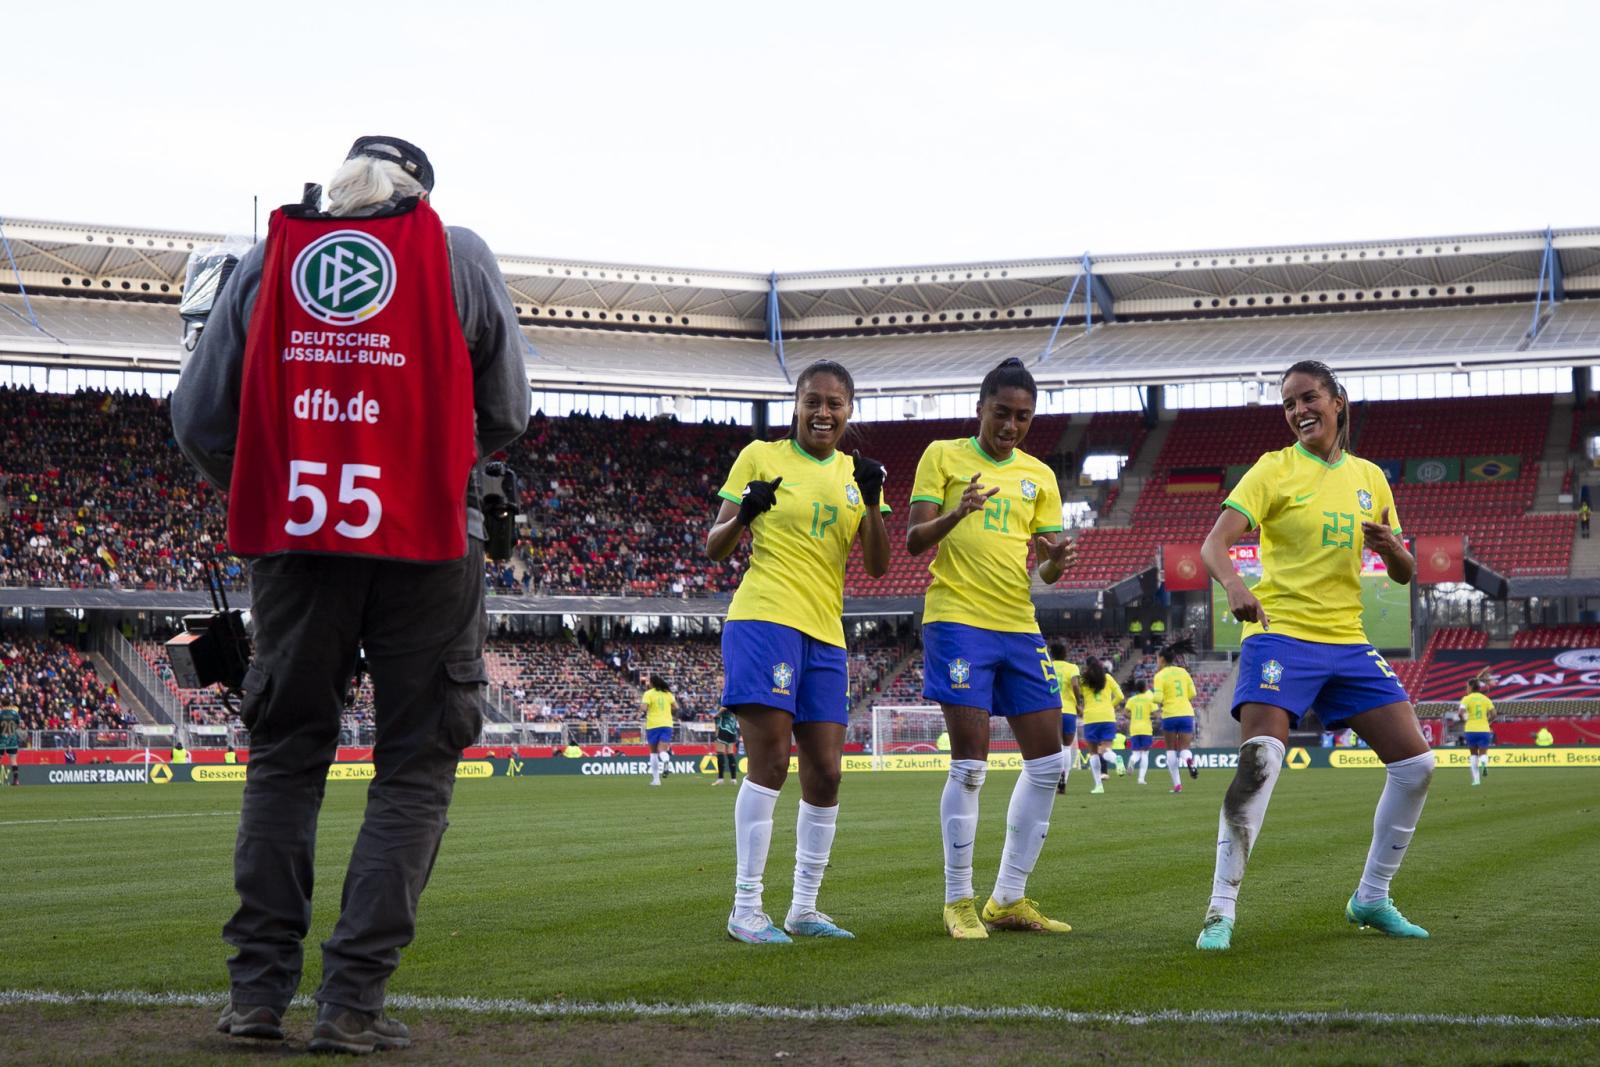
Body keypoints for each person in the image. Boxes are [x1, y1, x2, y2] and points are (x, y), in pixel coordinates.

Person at [172, 136, 529, 1049]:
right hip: (432, 545)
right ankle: (351, 1005)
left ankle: (256, 995)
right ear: (421, 195)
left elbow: (202, 419)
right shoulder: (459, 253)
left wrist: (292, 487)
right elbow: (509, 411)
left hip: (297, 545)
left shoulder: (271, 258)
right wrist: (426, 472)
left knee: (286, 756)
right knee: (415, 764)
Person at [1195, 359, 1430, 952]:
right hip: (1280, 636)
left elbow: (1405, 573)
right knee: (1259, 762)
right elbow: (1214, 542)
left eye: (1309, 398)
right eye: (1289, 404)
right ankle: (1219, 913)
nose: (1299, 410)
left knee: (1418, 767)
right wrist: (1235, 584)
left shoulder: (1371, 478)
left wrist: (1391, 545)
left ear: (1338, 401)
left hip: (1347, 642)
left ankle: (1371, 897)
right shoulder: (1274, 470)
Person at [706, 359, 890, 944]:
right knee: (771, 764)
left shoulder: (857, 474)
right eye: (813, 400)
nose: (823, 412)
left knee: (828, 773)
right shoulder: (760, 456)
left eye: (835, 403)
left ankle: (804, 908)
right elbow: (715, 547)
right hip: (764, 619)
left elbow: (880, 565)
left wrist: (874, 496)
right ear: (796, 404)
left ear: (850, 410)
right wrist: (748, 513)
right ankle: (746, 907)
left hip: (826, 634)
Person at [906, 357, 1077, 939]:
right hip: (957, 619)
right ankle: (957, 900)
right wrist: (958, 512)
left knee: (1050, 762)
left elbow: (1047, 571)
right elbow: (912, 539)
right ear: (980, 407)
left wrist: (1053, 561)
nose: (1011, 426)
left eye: (1023, 417)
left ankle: (1008, 898)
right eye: (1001, 413)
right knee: (971, 764)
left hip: (1018, 623)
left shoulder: (1040, 476)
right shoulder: (943, 455)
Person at [1152, 637, 1201, 792]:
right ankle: (1189, 761)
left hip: (1170, 715)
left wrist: (1155, 699)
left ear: (1162, 659)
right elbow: (1193, 693)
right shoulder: (1183, 672)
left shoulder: (1159, 676)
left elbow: (1158, 698)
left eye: (1157, 659)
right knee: (1185, 747)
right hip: (1186, 713)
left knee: (1171, 750)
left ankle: (1177, 785)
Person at [1078, 656, 1124, 795]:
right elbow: (1121, 696)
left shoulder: (1083, 680)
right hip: (1107, 716)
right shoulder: (1107, 678)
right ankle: (1116, 759)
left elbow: (1078, 695)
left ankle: (1098, 786)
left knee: (1093, 753)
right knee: (1105, 749)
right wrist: (1111, 706)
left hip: (1091, 718)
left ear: (1087, 666)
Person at [1048, 641, 1084, 794]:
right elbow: (1075, 685)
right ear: (1065, 653)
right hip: (1068, 710)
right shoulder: (1072, 667)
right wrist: (1079, 702)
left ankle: (1051, 780)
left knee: (1052, 747)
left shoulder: (1046, 666)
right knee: (1066, 747)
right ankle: (1064, 780)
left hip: (1050, 710)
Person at [1460, 669, 1495, 786]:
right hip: (1484, 729)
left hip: (1470, 729)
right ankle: (1484, 763)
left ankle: (1476, 780)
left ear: (1470, 687)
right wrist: (1487, 722)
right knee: (1483, 753)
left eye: (1467, 687)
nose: (1466, 689)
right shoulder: (1486, 699)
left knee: (1473, 754)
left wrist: (1464, 720)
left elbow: (1461, 712)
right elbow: (1494, 714)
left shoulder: (1466, 699)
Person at [641, 675, 675, 786]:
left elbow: (644, 708)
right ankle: (666, 760)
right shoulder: (668, 693)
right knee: (662, 750)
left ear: (652, 683)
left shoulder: (648, 693)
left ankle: (656, 780)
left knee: (653, 753)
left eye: (648, 682)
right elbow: (676, 707)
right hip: (667, 724)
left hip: (653, 725)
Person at [1124, 681, 1157, 785]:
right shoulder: (1150, 699)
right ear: (1145, 688)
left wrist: (1132, 717)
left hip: (1134, 728)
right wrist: (1149, 716)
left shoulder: (1131, 700)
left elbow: (1125, 713)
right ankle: (1141, 779)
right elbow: (1156, 714)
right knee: (1145, 754)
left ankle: (1132, 761)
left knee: (1136, 753)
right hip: (1146, 728)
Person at [713, 705, 741, 785]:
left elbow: (724, 707)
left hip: (724, 726)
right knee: (730, 752)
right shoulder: (735, 698)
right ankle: (733, 779)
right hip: (732, 727)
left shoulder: (725, 695)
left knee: (720, 752)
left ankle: (720, 778)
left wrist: (717, 714)